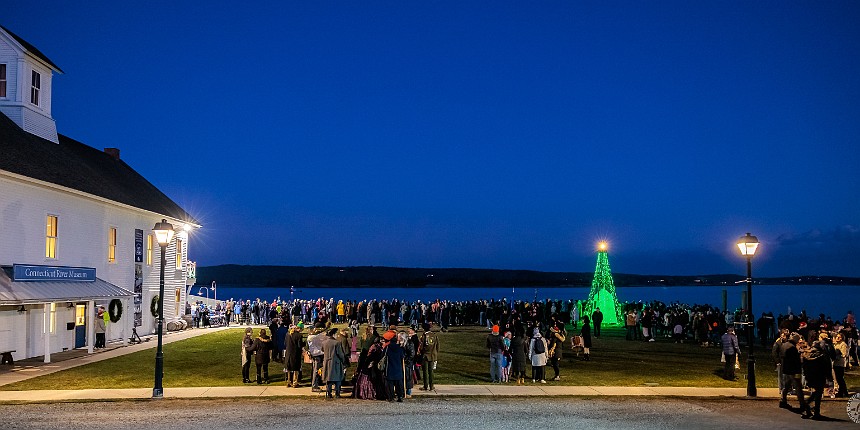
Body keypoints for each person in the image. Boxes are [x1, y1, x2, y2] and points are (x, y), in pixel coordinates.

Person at [779, 333, 810, 417]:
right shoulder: (792, 348)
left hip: (785, 369)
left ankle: (783, 400)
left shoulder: (784, 345)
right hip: (793, 370)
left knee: (786, 385)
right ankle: (802, 404)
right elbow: (795, 361)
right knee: (798, 387)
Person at [322, 328, 347, 399]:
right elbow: (340, 354)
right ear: (333, 334)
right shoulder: (337, 343)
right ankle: (337, 393)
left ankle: (329, 393)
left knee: (329, 378)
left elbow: (322, 350)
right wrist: (343, 360)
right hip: (336, 363)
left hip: (327, 362)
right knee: (337, 379)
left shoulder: (324, 342)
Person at [383, 330, 406, 402]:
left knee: (390, 384)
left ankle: (391, 397)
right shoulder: (400, 348)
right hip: (398, 367)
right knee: (398, 384)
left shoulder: (387, 348)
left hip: (389, 367)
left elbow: (383, 356)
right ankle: (400, 396)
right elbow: (402, 356)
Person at [419, 322, 439, 391]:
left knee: (425, 371)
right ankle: (431, 385)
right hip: (433, 355)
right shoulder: (434, 335)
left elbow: (422, 347)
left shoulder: (424, 336)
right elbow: (437, 346)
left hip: (426, 355)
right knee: (431, 371)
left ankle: (425, 386)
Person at [307, 324, 327, 392]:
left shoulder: (313, 337)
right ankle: (314, 385)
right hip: (317, 355)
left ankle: (316, 383)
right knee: (316, 370)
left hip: (316, 354)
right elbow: (321, 336)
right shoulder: (312, 337)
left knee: (317, 370)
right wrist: (323, 330)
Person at [834, 332, 849, 398]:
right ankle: (842, 392)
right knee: (838, 378)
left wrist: (837, 355)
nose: (837, 338)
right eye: (837, 337)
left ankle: (844, 392)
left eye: (839, 337)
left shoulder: (843, 344)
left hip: (840, 363)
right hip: (835, 363)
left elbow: (844, 354)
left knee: (840, 378)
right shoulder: (835, 344)